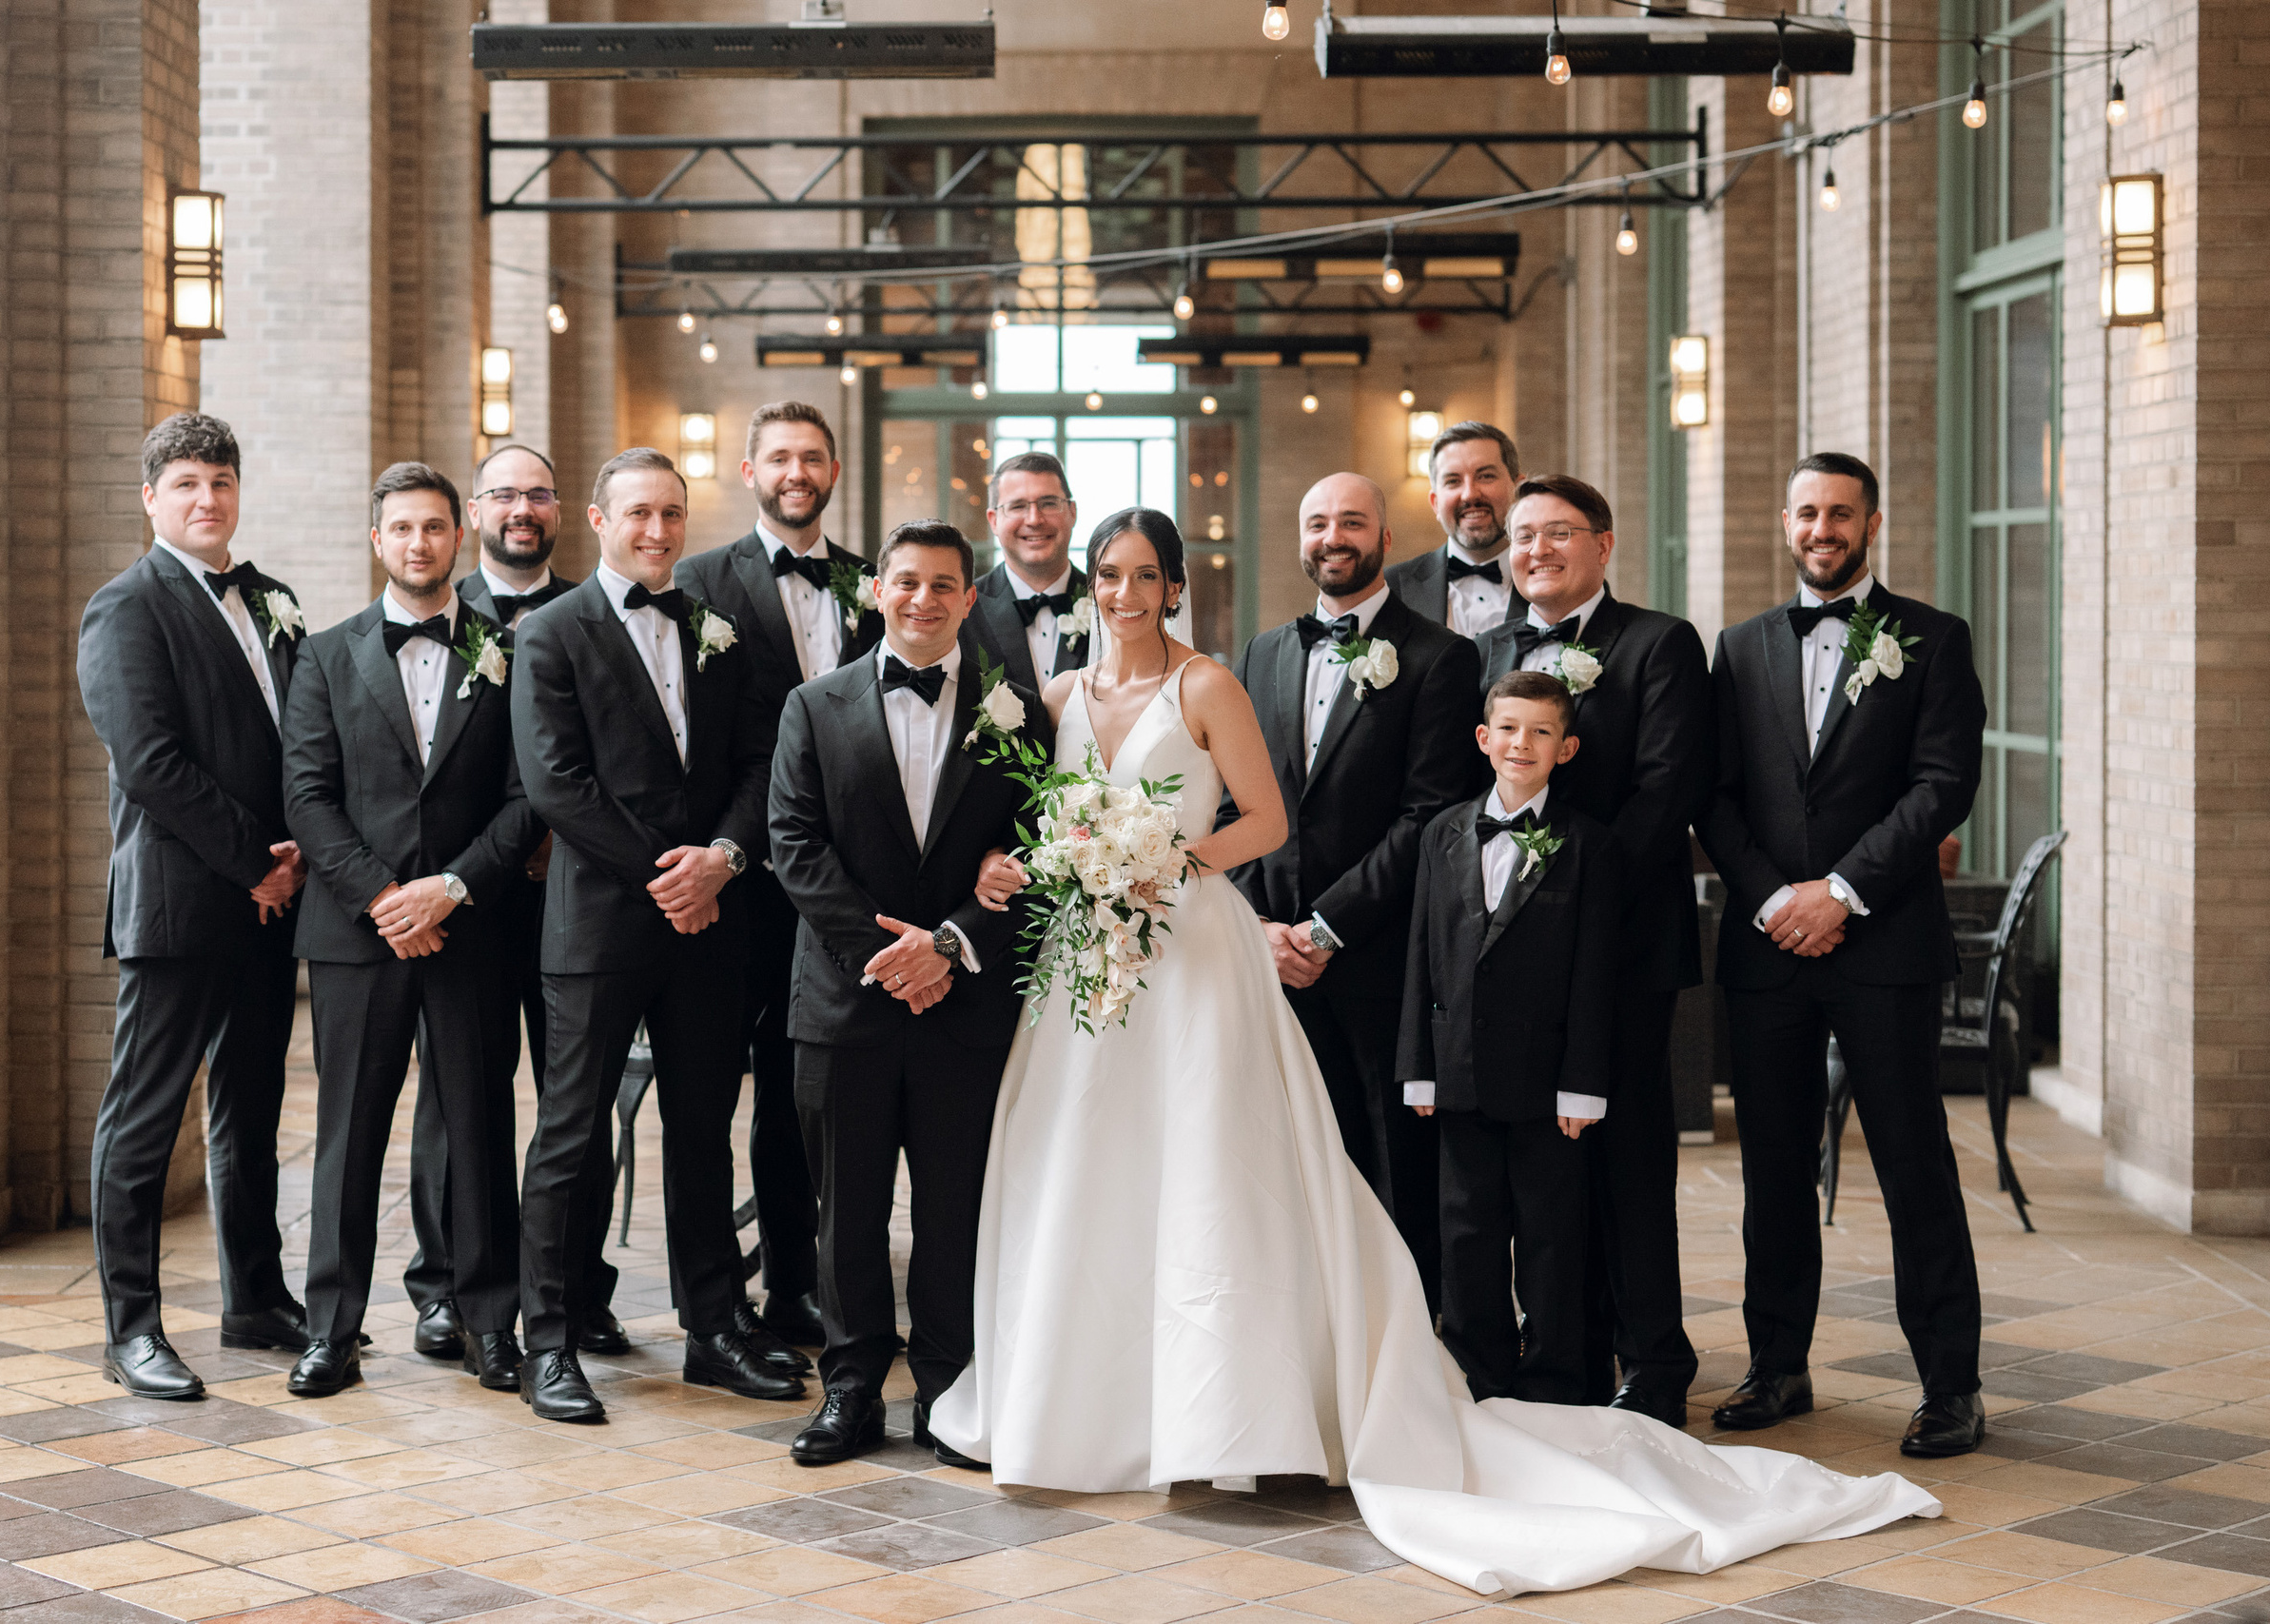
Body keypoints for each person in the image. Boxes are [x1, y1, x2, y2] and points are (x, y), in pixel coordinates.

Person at [927, 504, 1938, 1598]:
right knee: (1086, 1163)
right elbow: (1029, 820)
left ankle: (1225, 1407)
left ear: (1174, 585)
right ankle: (1080, 1398)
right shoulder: (1059, 696)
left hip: (1189, 949)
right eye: (1106, 576)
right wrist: (1019, 865)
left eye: (1141, 576)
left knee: (1210, 1166)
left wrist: (1165, 864)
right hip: (1087, 957)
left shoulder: (1208, 683)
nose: (1121, 595)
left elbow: (1262, 821)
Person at [1696, 453, 1988, 1458]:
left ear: (1871, 524)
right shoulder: (1737, 647)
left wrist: (1843, 891)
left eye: (1840, 513)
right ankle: (1777, 1364)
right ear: (1785, 523)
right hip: (1769, 947)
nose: (1822, 529)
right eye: (1807, 513)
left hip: (1884, 945)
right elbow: (1714, 794)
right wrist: (1777, 898)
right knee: (1773, 1167)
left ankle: (1950, 1384)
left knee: (1913, 1165)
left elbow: (1942, 784)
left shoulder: (1934, 639)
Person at [509, 448, 796, 1421]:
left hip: (711, 923)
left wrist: (723, 858)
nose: (658, 530)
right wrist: (669, 878)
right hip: (600, 925)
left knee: (704, 1132)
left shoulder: (717, 628)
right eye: (638, 512)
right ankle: (548, 1341)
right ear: (599, 519)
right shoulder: (552, 632)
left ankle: (713, 1330)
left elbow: (760, 760)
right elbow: (557, 785)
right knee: (569, 1134)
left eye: (672, 513)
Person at [766, 520, 1049, 1468]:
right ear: (877, 591)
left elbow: (1037, 851)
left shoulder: (1018, 713)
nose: (923, 599)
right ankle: (850, 1389)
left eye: (943, 584)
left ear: (970, 598)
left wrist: (952, 946)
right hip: (844, 1001)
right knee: (845, 1210)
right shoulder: (813, 705)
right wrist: (892, 958)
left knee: (953, 1207)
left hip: (965, 1003)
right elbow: (795, 846)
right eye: (906, 582)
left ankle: (946, 1388)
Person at [279, 462, 538, 1398]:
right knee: (348, 1134)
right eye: (401, 528)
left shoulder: (511, 653)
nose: (419, 543)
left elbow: (526, 797)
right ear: (376, 539)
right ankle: (330, 1331)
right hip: (359, 936)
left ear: (458, 536)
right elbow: (306, 795)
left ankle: (489, 1324)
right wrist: (385, 898)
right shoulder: (324, 654)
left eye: (434, 527)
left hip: (474, 929)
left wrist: (452, 889)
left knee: (479, 1127)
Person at [75, 412, 311, 1399]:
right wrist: (256, 860)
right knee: (144, 1115)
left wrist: (299, 855)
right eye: (186, 484)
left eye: (220, 482)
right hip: (180, 904)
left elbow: (300, 735)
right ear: (151, 499)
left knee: (250, 1110)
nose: (206, 499)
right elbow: (152, 764)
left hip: (272, 904)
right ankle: (131, 1328)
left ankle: (255, 1298)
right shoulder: (124, 608)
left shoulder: (272, 600)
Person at [1474, 475, 1711, 1425]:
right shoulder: (1487, 652)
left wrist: (1570, 901)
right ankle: (1566, 1357)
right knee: (1546, 1167)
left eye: (1558, 533)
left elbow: (1666, 792)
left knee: (1630, 1161)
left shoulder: (1660, 644)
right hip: (1516, 966)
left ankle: (1654, 1363)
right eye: (1522, 535)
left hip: (1622, 949)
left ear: (1603, 545)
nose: (1535, 550)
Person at [1223, 474, 1481, 1307]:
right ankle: (1314, 1320)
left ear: (1385, 538)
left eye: (1352, 522)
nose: (1333, 537)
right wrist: (1261, 926)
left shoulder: (1440, 657)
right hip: (1271, 961)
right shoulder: (1262, 652)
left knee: (1392, 1155)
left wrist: (1326, 928)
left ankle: (1406, 1327)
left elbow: (1428, 814)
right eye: (1317, 522)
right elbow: (1232, 804)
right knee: (1290, 1152)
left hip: (1378, 957)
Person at [673, 401, 882, 1349]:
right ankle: (715, 1302)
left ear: (833, 470)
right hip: (742, 884)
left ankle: (798, 1282)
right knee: (714, 1092)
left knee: (810, 1091)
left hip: (848, 887)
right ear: (749, 470)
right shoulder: (696, 582)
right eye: (780, 458)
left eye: (813, 457)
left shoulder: (875, 583)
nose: (797, 472)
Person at [401, 441, 579, 1364]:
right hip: (465, 901)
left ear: (560, 511)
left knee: (572, 1100)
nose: (521, 509)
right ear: (474, 513)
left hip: (569, 899)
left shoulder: (591, 613)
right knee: (456, 1102)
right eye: (504, 494)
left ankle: (572, 1289)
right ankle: (444, 1286)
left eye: (538, 495)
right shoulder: (439, 611)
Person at [1399, 671, 1620, 1404]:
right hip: (1459, 1071)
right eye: (1509, 728)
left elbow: (1594, 974)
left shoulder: (1589, 845)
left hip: (1548, 1081)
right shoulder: (1441, 833)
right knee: (1467, 1231)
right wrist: (1420, 1065)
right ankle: (1478, 1374)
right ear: (1483, 737)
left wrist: (1582, 1084)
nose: (1522, 743)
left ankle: (1555, 1380)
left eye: (1541, 731)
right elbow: (1422, 953)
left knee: (1552, 1236)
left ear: (1566, 748)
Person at [1384, 421, 1527, 636]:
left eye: (1485, 476)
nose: (1470, 494)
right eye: (1453, 481)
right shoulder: (1390, 589)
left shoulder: (1555, 583)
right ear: (1435, 503)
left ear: (1518, 490)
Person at [971, 452, 1089, 690]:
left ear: (1072, 512)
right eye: (1017, 506)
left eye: (1049, 503)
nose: (1034, 520)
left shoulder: (1107, 604)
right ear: (993, 520)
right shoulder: (963, 610)